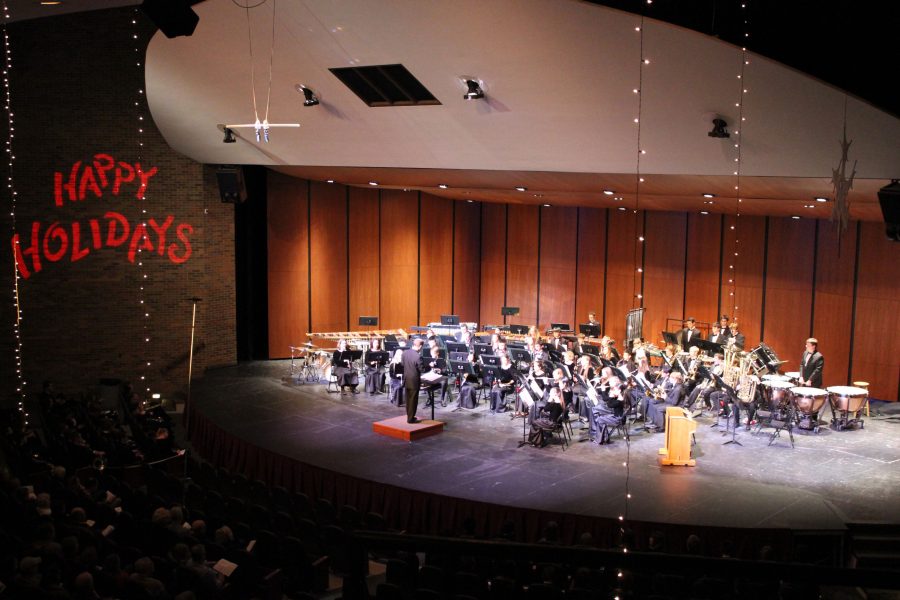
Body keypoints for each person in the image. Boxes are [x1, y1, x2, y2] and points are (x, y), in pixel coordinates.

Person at [401, 339, 424, 422]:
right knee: (413, 400)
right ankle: (411, 419)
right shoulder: (418, 356)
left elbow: (402, 364)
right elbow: (422, 369)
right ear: (420, 346)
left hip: (406, 378)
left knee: (408, 399)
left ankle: (409, 416)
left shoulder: (404, 353)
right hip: (414, 381)